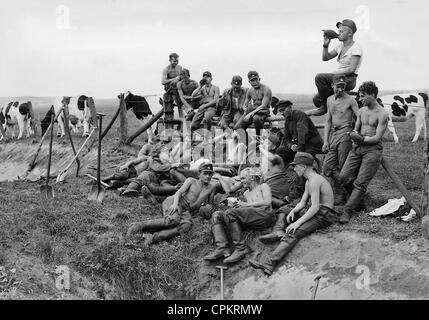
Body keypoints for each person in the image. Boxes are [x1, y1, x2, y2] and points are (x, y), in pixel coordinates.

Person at [249, 152, 338, 275]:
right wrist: (292, 211)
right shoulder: (309, 181)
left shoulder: (314, 181)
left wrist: (297, 222)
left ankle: (269, 263)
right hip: (317, 212)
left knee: (293, 232)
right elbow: (302, 203)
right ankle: (278, 232)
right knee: (285, 209)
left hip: (324, 215)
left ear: (304, 167)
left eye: (296, 166)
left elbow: (315, 208)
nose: (294, 169)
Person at [127, 163, 217, 245]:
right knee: (172, 221)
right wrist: (175, 204)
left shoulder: (212, 187)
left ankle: (153, 238)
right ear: (199, 174)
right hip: (175, 201)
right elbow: (179, 192)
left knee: (185, 226)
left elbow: (210, 204)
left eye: (210, 174)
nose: (208, 176)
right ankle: (139, 225)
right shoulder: (191, 181)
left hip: (186, 210)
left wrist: (205, 208)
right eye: (205, 173)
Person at [338, 81, 388, 223]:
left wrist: (360, 139)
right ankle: (359, 201)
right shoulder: (361, 111)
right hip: (357, 148)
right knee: (343, 177)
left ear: (372, 94)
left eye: (363, 96)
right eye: (359, 96)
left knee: (361, 183)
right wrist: (353, 134)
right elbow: (356, 129)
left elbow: (377, 137)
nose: (360, 99)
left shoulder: (382, 114)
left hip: (372, 150)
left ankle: (347, 210)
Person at [203, 167, 273, 263]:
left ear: (252, 178)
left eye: (243, 178)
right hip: (253, 218)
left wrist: (245, 205)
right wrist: (238, 207)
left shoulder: (263, 186)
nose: (241, 181)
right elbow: (249, 211)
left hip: (265, 216)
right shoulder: (246, 193)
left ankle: (241, 248)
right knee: (217, 215)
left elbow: (267, 202)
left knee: (230, 212)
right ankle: (222, 248)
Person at [308, 19, 363, 116]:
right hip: (337, 78)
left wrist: (333, 74)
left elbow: (351, 69)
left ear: (350, 33)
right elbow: (325, 58)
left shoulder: (356, 48)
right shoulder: (340, 46)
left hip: (349, 78)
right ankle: (336, 111)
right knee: (316, 99)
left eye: (342, 31)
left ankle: (324, 107)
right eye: (338, 31)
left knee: (320, 77)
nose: (339, 34)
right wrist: (325, 45)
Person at [322, 74, 359, 204]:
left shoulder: (350, 100)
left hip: (346, 133)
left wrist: (354, 131)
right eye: (338, 86)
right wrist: (326, 140)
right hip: (334, 134)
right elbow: (328, 120)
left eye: (343, 86)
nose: (341, 89)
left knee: (344, 167)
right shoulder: (329, 100)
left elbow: (359, 116)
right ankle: (350, 192)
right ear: (332, 85)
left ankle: (353, 198)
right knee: (327, 166)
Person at [235, 71, 272, 139]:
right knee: (238, 127)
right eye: (252, 81)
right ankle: (248, 141)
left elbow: (263, 105)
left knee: (256, 119)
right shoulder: (250, 91)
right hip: (253, 112)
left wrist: (250, 114)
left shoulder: (266, 89)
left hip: (262, 112)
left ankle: (259, 139)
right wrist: (244, 108)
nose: (255, 82)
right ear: (249, 82)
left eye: (256, 80)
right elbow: (245, 103)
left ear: (259, 79)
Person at [161, 53, 183, 121]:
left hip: (178, 88)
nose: (176, 62)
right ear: (170, 60)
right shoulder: (166, 69)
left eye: (177, 61)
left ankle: (182, 117)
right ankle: (176, 101)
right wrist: (174, 79)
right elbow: (163, 82)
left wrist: (179, 77)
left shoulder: (180, 68)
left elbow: (182, 77)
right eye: (174, 61)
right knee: (175, 82)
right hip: (169, 88)